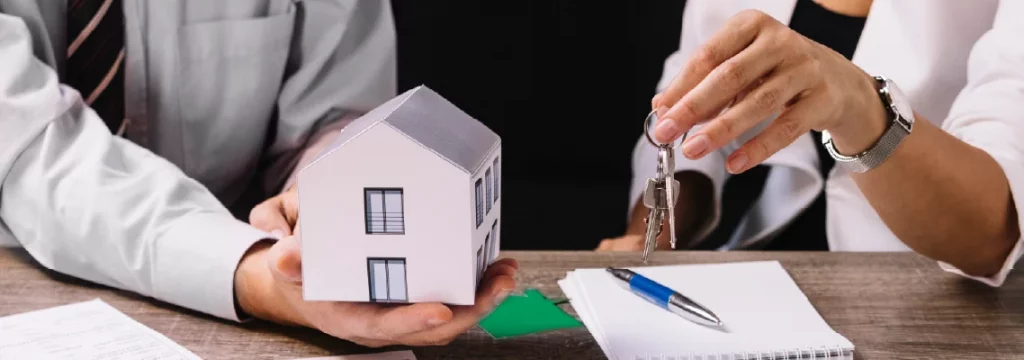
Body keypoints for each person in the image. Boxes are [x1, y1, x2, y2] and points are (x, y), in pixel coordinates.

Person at [0, 0, 515, 347]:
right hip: (25, 286)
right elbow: (29, 151)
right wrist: (259, 277)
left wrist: (318, 205)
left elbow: (337, 111)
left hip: (252, 290)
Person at [598, 0, 1024, 286]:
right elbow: (696, 98)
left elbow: (992, 234)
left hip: (930, 291)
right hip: (757, 275)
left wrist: (862, 110)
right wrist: (651, 234)